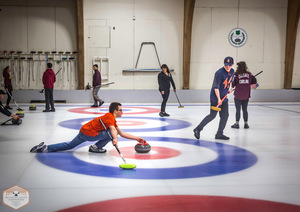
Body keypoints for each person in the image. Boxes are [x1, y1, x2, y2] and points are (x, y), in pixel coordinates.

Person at [30, 102, 146, 153]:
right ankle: (96, 147)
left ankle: (45, 148)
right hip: (90, 133)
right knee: (111, 133)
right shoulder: (110, 117)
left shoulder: (111, 118)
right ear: (115, 111)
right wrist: (115, 139)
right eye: (121, 110)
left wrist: (136, 138)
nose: (122, 112)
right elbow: (113, 131)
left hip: (84, 131)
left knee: (70, 145)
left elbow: (121, 133)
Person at [193, 56, 235, 140]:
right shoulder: (219, 73)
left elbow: (229, 81)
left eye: (229, 65)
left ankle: (219, 134)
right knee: (212, 115)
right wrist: (219, 99)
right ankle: (197, 129)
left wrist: (229, 89)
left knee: (225, 116)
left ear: (232, 64)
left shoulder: (232, 71)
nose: (227, 67)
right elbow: (216, 87)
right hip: (216, 98)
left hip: (224, 97)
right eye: (226, 65)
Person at [231, 61, 257, 129]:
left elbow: (233, 84)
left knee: (238, 110)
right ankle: (246, 124)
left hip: (238, 95)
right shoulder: (249, 74)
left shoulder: (236, 75)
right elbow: (254, 82)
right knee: (245, 109)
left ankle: (237, 124)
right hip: (246, 95)